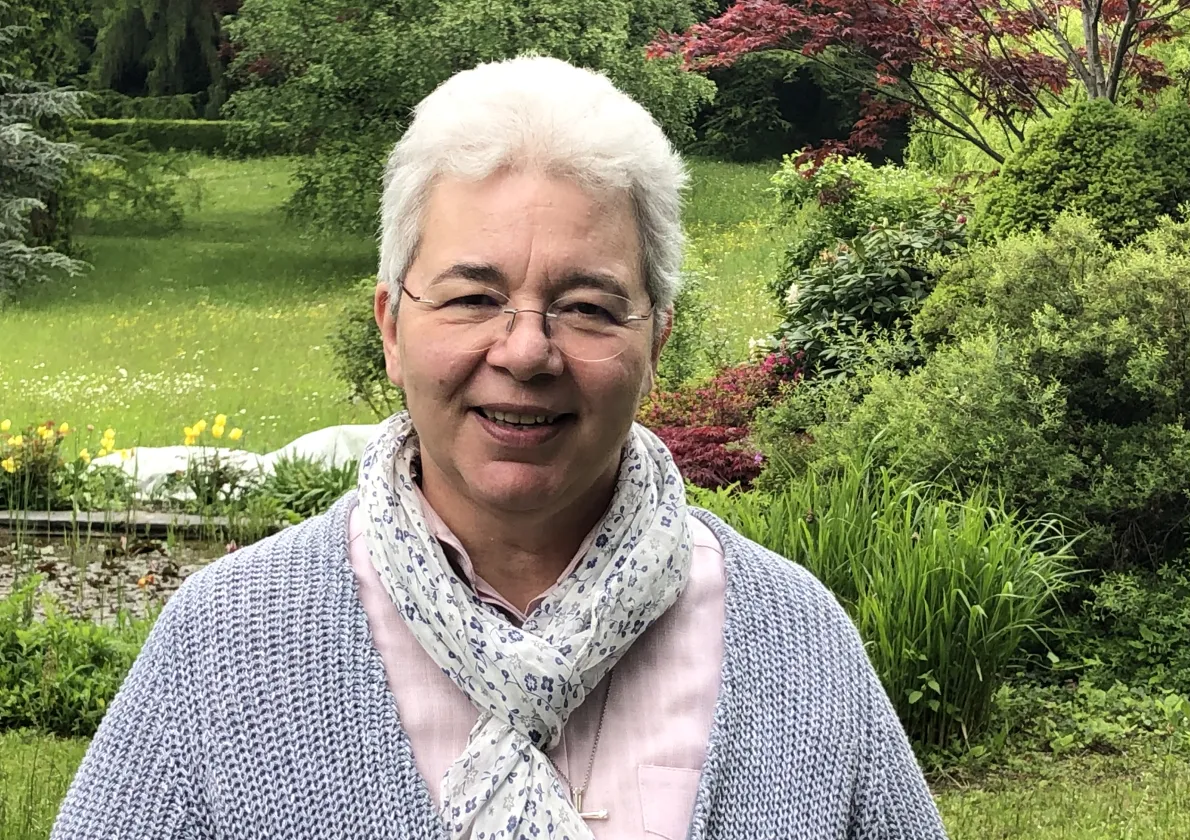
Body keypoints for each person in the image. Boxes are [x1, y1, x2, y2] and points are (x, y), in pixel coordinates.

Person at [51, 56, 949, 840]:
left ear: (657, 341)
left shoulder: (796, 646)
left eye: (587, 307)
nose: (525, 352)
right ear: (391, 326)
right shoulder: (226, 646)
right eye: (473, 298)